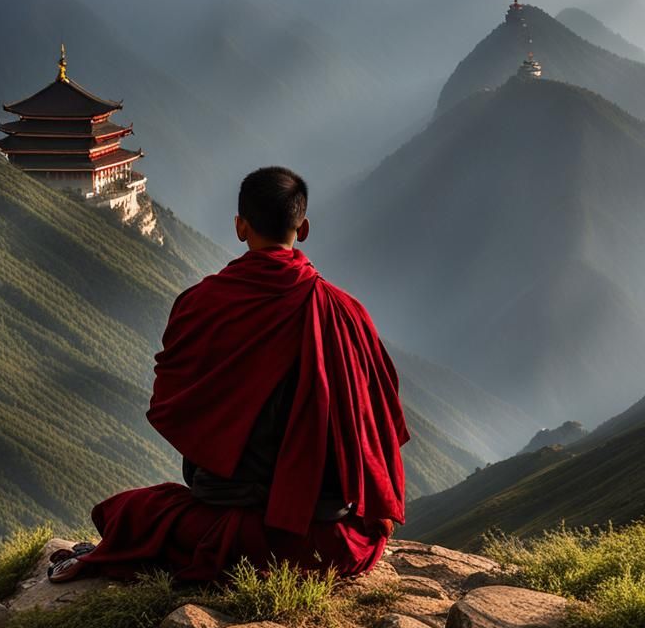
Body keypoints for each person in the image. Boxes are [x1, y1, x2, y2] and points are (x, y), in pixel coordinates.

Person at [48, 166, 408, 584]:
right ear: (303, 228)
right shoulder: (347, 314)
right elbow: (378, 427)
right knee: (354, 533)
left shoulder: (201, 305)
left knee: (136, 512)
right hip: (330, 543)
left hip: (235, 527)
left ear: (240, 227)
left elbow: (173, 406)